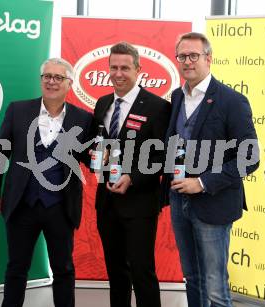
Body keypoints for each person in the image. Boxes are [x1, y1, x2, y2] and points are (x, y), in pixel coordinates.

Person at [161, 32, 259, 307]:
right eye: (182, 56)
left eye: (194, 55)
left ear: (209, 59)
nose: (187, 61)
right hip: (179, 199)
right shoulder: (177, 97)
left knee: (214, 286)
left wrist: (202, 183)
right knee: (192, 278)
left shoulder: (231, 101)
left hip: (213, 202)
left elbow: (249, 157)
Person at [0, 58, 93, 307]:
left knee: (64, 269)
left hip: (60, 206)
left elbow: (88, 156)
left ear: (69, 84)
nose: (51, 82)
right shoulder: (18, 110)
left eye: (58, 77)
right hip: (22, 203)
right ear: (41, 80)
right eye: (47, 76)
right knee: (16, 268)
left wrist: (105, 157)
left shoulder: (82, 118)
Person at [93, 42, 171, 307]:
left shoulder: (158, 107)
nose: (118, 73)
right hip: (106, 201)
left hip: (139, 203)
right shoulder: (103, 103)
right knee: (116, 271)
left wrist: (133, 177)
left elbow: (164, 157)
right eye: (113, 67)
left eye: (125, 68)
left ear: (138, 69)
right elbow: (100, 144)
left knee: (142, 271)